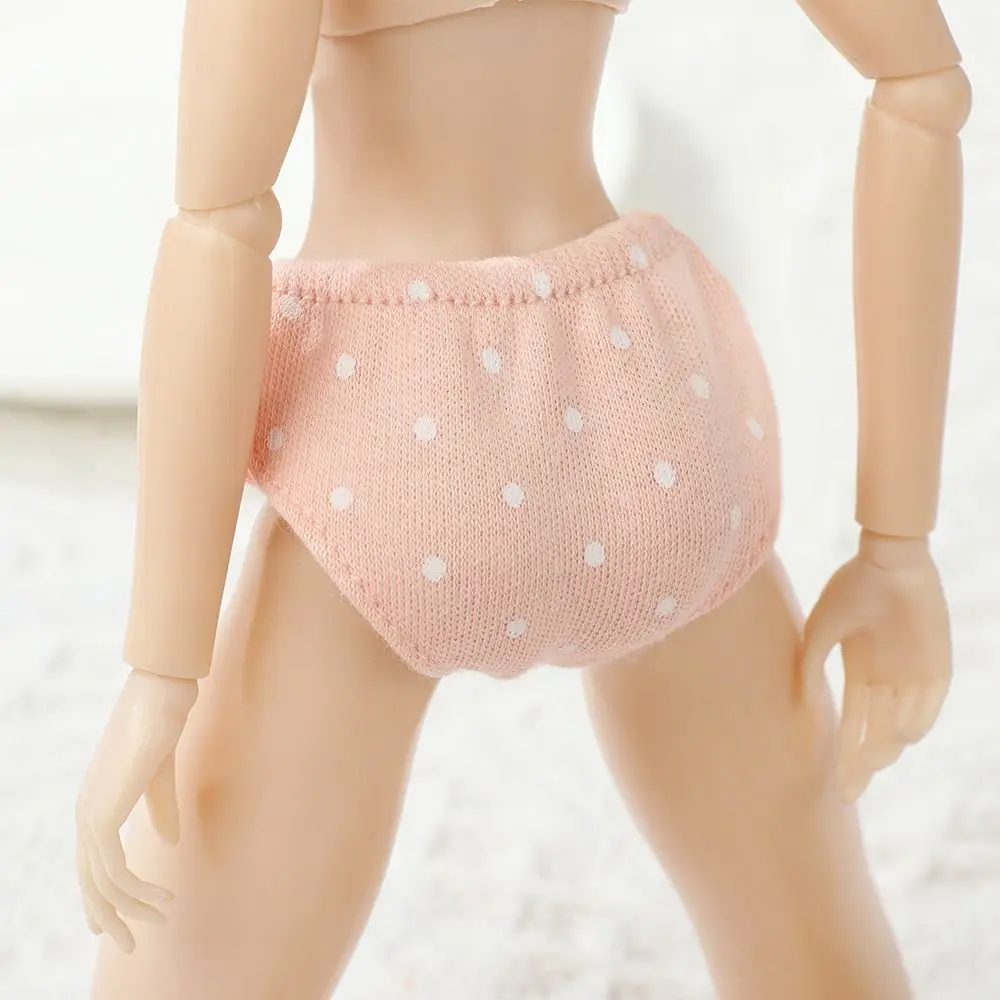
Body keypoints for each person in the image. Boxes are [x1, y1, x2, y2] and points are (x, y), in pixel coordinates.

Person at [74, 1, 970, 997]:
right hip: (643, 403)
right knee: (815, 950)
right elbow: (920, 87)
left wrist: (163, 667)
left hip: (391, 437)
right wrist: (897, 543)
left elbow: (218, 232)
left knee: (204, 962)